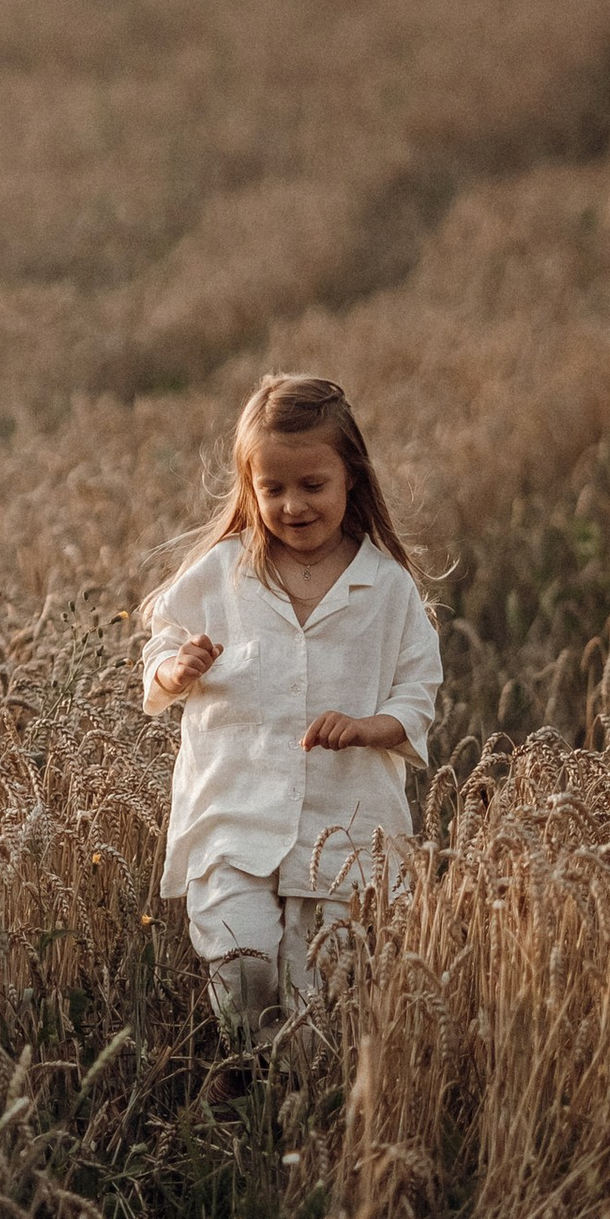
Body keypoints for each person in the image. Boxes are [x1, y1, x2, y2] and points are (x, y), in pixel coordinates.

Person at [138, 373, 440, 1041]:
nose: (292, 505)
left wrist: (368, 727)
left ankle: (293, 1095)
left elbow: (418, 692)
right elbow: (159, 646)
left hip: (345, 827)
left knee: (319, 1012)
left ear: (350, 477)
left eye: (312, 485)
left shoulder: (387, 587)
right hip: (232, 818)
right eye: (271, 488)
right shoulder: (222, 572)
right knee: (243, 967)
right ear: (249, 487)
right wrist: (174, 668)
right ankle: (243, 1069)